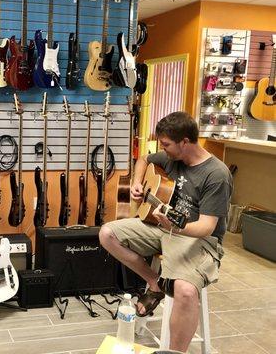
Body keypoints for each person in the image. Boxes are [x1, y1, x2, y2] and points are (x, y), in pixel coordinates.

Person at [99, 111, 232, 353]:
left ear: (185, 142)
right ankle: (154, 281)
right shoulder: (172, 157)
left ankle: (174, 352)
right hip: (161, 226)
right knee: (107, 233)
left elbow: (206, 227)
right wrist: (138, 183)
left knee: (185, 291)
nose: (163, 148)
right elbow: (144, 160)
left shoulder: (217, 174)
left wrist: (175, 226)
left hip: (197, 238)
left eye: (166, 144)